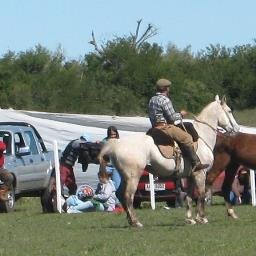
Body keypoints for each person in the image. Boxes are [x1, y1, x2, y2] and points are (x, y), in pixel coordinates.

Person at [148, 78, 209, 173]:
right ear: (166, 88)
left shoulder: (152, 99)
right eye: (168, 87)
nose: (169, 89)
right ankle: (195, 163)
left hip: (154, 127)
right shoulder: (165, 100)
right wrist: (181, 114)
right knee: (187, 138)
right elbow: (172, 118)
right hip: (165, 127)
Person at [102, 126, 121, 190]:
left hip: (116, 167)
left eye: (114, 134)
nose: (113, 136)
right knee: (104, 185)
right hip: (106, 166)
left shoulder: (119, 141)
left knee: (116, 186)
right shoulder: (105, 141)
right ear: (108, 134)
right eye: (111, 134)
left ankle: (116, 199)